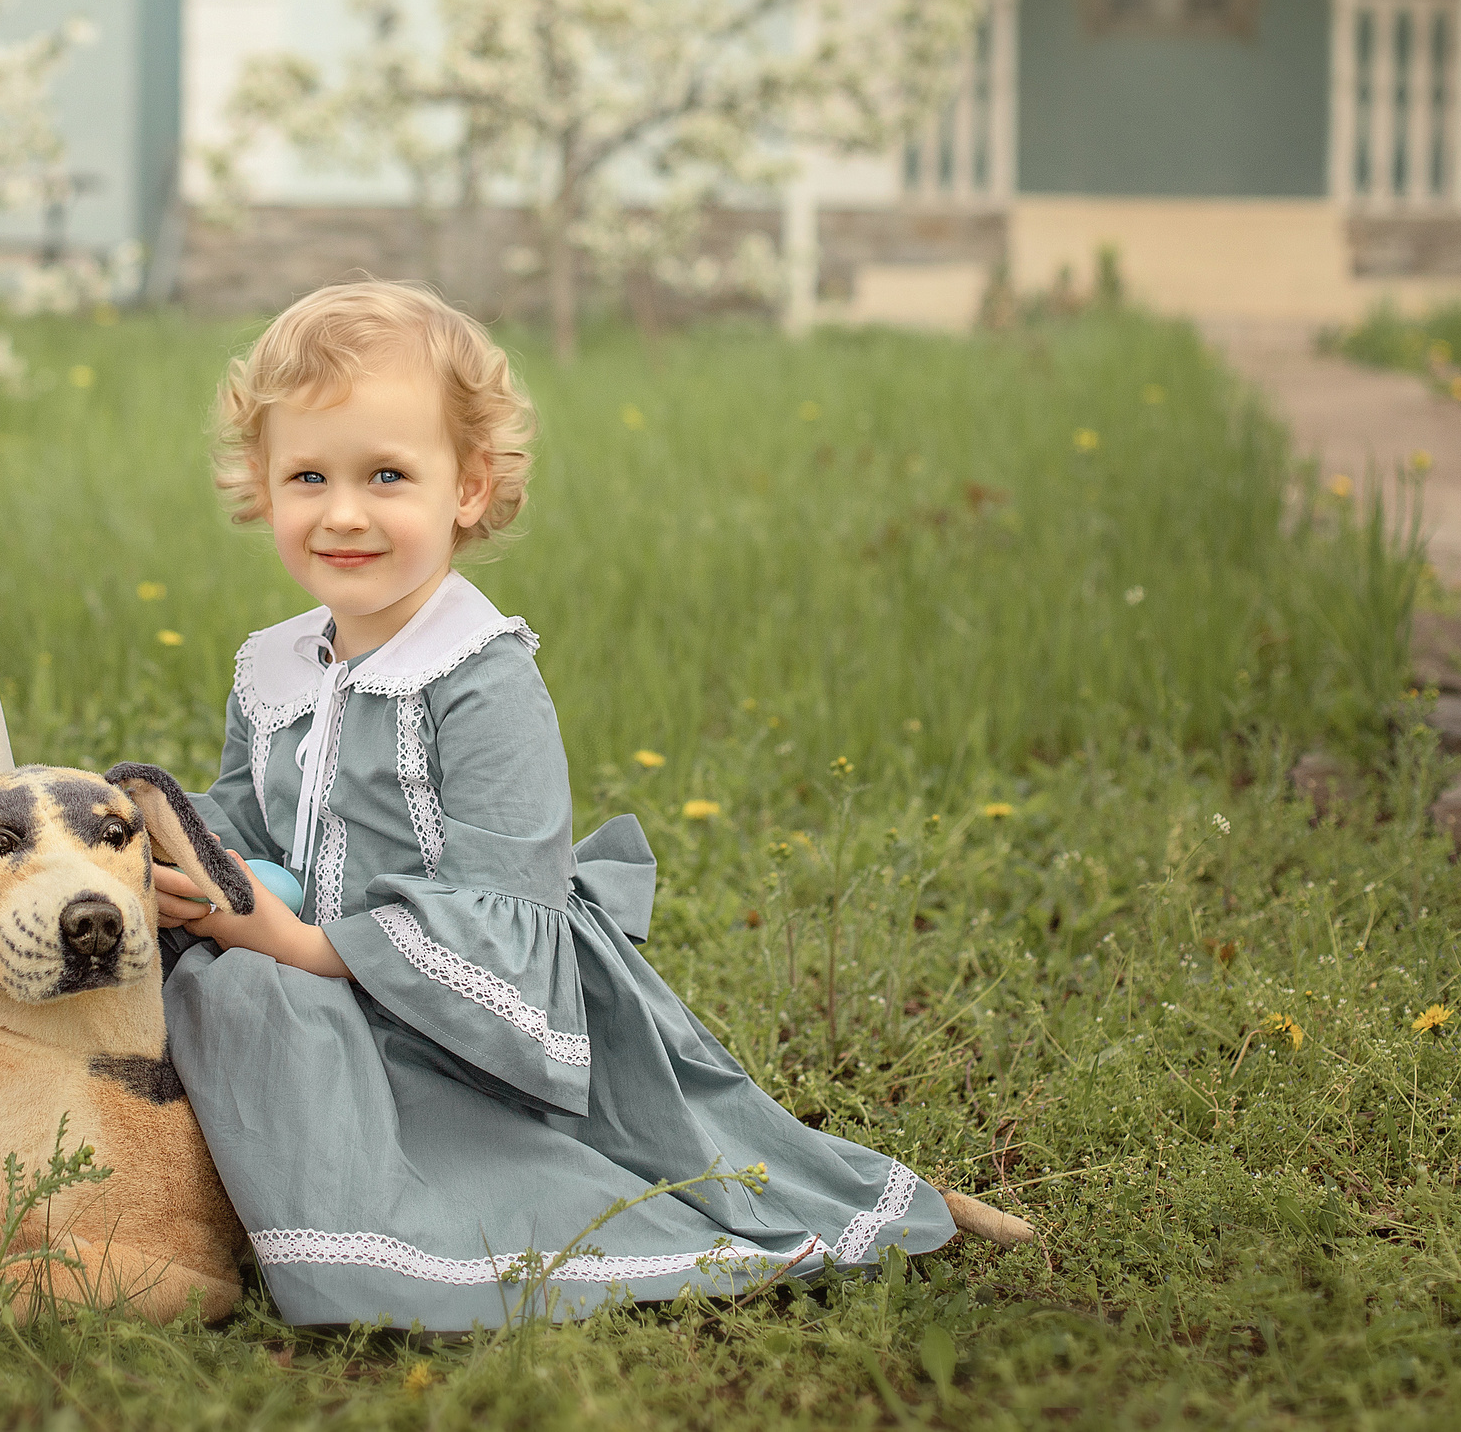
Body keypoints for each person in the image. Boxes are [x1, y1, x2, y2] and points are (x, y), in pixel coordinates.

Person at [151, 279, 976, 1331]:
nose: (343, 511)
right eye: (307, 473)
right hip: (301, 947)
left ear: (467, 486)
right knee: (211, 986)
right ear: (262, 488)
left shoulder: (479, 677)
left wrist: (300, 943)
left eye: (387, 474)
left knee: (255, 1000)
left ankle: (400, 1229)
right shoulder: (275, 665)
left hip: (448, 1005)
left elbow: (506, 904)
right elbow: (247, 815)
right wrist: (185, 853)